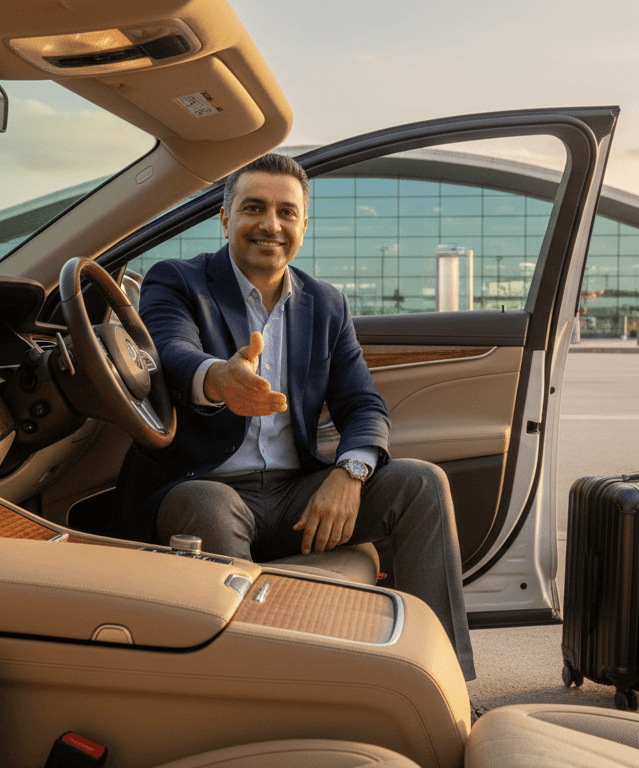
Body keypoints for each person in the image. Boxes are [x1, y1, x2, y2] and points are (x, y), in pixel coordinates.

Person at [115, 153, 475, 680]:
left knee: (422, 484)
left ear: (304, 225)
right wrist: (217, 378)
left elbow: (363, 404)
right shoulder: (178, 280)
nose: (271, 225)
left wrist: (350, 473)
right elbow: (170, 350)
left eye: (287, 212)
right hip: (200, 484)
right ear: (225, 218)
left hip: (292, 497)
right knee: (211, 503)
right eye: (253, 208)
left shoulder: (327, 304)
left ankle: (443, 682)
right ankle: (245, 687)